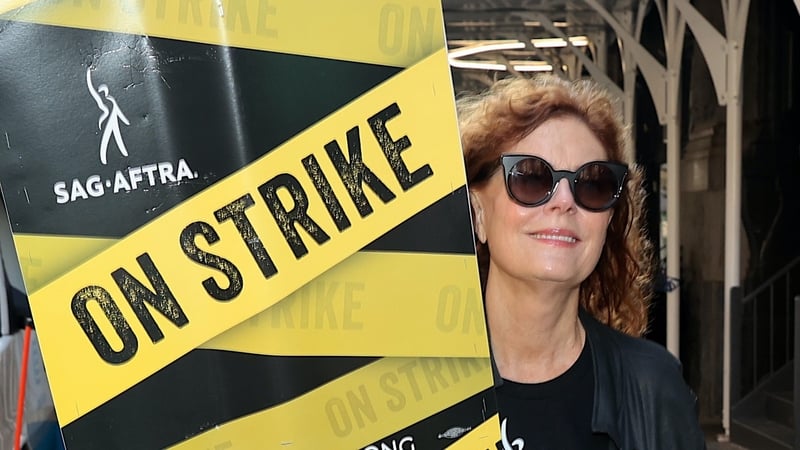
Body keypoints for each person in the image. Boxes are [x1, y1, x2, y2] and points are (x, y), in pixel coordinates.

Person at [456, 75, 705, 450]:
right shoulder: (404, 384)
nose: (564, 201)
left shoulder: (654, 387)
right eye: (531, 177)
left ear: (607, 220)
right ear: (477, 213)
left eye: (592, 184)